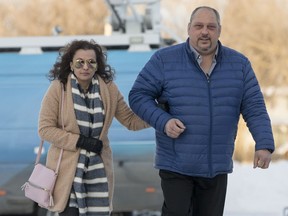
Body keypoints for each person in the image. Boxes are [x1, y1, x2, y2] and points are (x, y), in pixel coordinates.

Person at [129, 6, 275, 216]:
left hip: (215, 166)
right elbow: (138, 96)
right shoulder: (164, 60)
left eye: (210, 27)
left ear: (219, 30)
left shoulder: (239, 65)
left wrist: (264, 144)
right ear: (189, 29)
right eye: (199, 26)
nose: (204, 31)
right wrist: (164, 121)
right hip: (176, 164)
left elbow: (254, 107)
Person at [38, 39, 149, 216]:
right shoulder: (58, 88)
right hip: (66, 174)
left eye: (91, 62)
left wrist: (157, 114)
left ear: (97, 65)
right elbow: (45, 129)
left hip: (98, 172)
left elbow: (130, 121)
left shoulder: (109, 89)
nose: (85, 67)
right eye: (79, 62)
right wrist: (81, 141)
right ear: (71, 65)